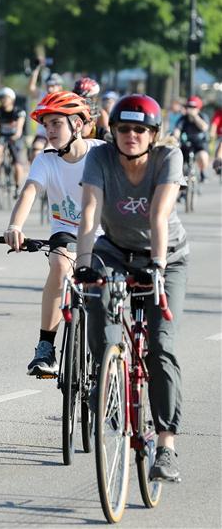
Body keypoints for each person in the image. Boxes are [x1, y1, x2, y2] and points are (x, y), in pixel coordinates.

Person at [75, 94, 187, 483]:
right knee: (96, 300)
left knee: (160, 346)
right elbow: (90, 210)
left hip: (166, 256)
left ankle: (167, 445)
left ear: (154, 134)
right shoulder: (100, 158)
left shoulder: (168, 158)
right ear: (113, 132)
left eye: (141, 129)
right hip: (116, 251)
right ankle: (106, 381)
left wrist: (157, 266)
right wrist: (84, 264)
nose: (131, 135)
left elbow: (159, 213)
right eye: (124, 128)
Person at [3, 91, 103, 376]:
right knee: (59, 265)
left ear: (77, 125)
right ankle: (46, 348)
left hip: (104, 233)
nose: (49, 130)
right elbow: (29, 192)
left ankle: (109, 355)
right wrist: (15, 227)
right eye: (46, 124)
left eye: (56, 123)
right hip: (67, 232)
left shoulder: (101, 153)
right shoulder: (45, 160)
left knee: (108, 290)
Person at [0, 86, 27, 195]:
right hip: (2, 136)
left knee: (17, 162)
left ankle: (17, 186)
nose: (3, 100)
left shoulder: (18, 111)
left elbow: (19, 128)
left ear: (12, 99)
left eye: (6, 98)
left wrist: (15, 135)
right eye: (1, 98)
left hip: (15, 137)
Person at [172, 95, 210, 181]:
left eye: (193, 107)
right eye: (189, 107)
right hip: (186, 144)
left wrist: (195, 117)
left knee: (203, 157)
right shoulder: (183, 119)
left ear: (198, 108)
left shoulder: (202, 116)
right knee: (176, 159)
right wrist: (174, 138)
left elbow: (204, 127)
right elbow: (177, 130)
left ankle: (202, 172)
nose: (191, 109)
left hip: (199, 145)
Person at [28, 70, 64, 160]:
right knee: (36, 151)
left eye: (52, 86)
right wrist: (36, 70)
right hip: (43, 133)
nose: (50, 88)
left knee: (51, 152)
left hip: (58, 133)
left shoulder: (63, 98)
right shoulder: (42, 95)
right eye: (48, 86)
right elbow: (31, 88)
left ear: (60, 87)